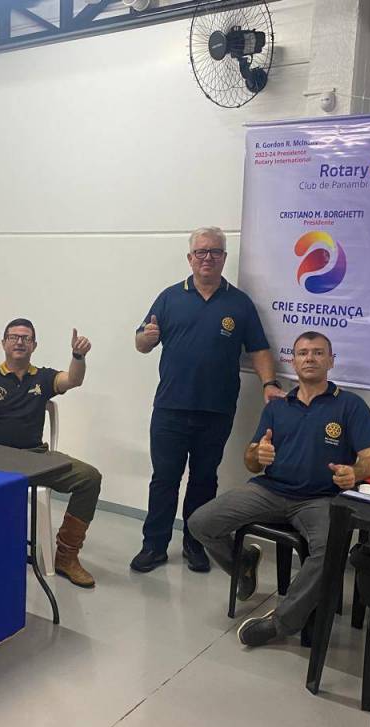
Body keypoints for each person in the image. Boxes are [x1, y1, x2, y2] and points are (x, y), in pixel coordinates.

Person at [187, 331, 370, 647]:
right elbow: (251, 461)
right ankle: (243, 564)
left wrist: (356, 471)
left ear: (331, 361)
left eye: (318, 352)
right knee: (200, 522)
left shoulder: (350, 405)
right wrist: (258, 454)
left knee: (332, 549)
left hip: (320, 499)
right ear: (293, 362)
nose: (310, 358)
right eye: (303, 353)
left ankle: (281, 623)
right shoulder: (277, 407)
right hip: (269, 491)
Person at [131, 226, 281, 575]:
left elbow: (259, 349)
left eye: (215, 251)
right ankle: (153, 546)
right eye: (201, 252)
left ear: (224, 258)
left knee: (204, 480)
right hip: (170, 408)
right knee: (164, 479)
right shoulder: (169, 297)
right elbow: (141, 342)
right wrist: (146, 338)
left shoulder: (240, 303)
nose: (207, 258)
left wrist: (269, 383)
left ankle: (195, 545)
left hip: (217, 410)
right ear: (190, 258)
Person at [0, 319, 101, 588]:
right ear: (3, 343)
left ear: (34, 345)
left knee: (90, 477)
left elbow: (73, 379)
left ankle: (66, 556)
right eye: (13, 337)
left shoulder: (43, 377)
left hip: (34, 458)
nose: (19, 342)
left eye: (26, 338)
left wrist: (78, 356)